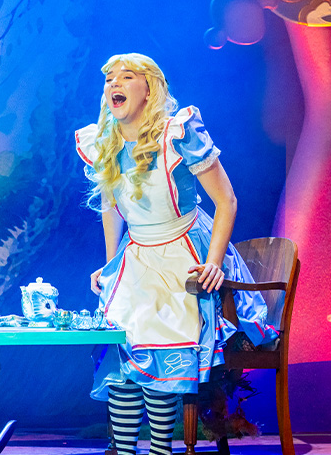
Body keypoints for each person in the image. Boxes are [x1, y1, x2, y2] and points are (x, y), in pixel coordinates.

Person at [75, 54, 277, 455]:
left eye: (126, 76)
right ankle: (126, 451)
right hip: (138, 256)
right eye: (109, 79)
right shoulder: (107, 143)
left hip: (184, 251)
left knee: (158, 341)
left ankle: (160, 451)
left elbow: (227, 200)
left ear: (147, 89)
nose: (114, 83)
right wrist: (110, 262)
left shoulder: (176, 133)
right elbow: (113, 208)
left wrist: (214, 263)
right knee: (121, 346)